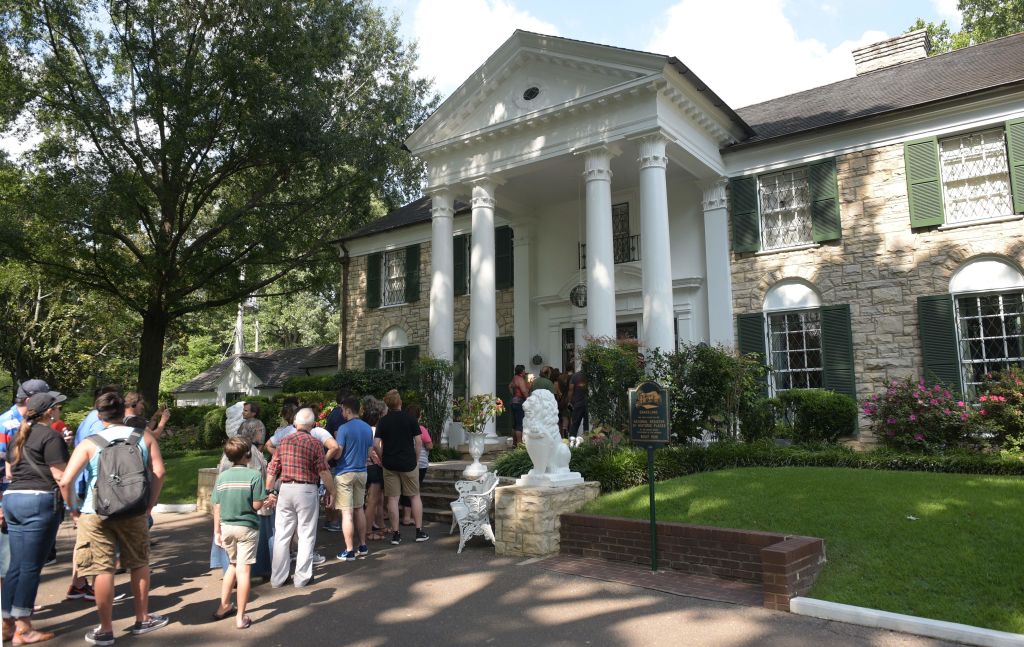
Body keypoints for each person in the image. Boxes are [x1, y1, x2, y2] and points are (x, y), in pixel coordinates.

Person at [58, 392, 168, 646]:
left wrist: (74, 510)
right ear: (124, 413)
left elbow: (66, 481)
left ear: (99, 415)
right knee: (139, 562)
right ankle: (142, 619)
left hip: (95, 512)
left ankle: (106, 629)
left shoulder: (88, 442)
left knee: (102, 568)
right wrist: (149, 506)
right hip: (134, 510)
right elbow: (159, 472)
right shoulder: (144, 436)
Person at [1, 390, 69, 645]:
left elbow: (9, 473)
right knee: (30, 567)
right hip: (38, 503)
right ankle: (24, 628)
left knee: (16, 566)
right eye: (58, 407)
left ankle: (7, 625)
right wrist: (73, 507)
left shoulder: (18, 435)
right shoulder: (51, 436)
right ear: (49, 411)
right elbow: (61, 477)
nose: (60, 411)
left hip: (13, 500)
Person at [266, 408, 333, 588]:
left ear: (295, 424)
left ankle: (278, 578)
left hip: (285, 489)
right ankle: (302, 577)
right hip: (306, 490)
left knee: (282, 534)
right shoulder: (315, 443)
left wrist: (269, 490)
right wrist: (331, 491)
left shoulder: (284, 441)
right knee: (306, 534)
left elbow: (273, 468)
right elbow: (323, 471)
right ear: (312, 425)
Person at [211, 437, 267, 630]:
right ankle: (240, 617)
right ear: (248, 454)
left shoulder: (222, 477)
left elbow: (216, 506)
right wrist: (266, 501)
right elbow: (256, 505)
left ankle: (223, 606)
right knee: (244, 570)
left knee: (232, 567)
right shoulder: (254, 476)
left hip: (226, 527)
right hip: (247, 527)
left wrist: (216, 530)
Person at [211, 419, 272, 581]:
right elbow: (254, 479)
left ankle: (232, 580)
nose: (262, 434)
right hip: (247, 511)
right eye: (260, 430)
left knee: (233, 557)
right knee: (245, 554)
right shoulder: (249, 451)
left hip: (228, 512)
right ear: (253, 432)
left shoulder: (235, 449)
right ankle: (244, 577)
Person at [374, 390, 428, 545]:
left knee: (392, 498)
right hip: (408, 463)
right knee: (414, 496)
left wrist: (383, 457)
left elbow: (375, 444)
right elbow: (418, 442)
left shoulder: (383, 421)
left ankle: (396, 534)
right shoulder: (410, 418)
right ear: (400, 402)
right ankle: (419, 531)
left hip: (390, 464)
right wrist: (416, 459)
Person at [332, 396, 373, 561]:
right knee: (359, 509)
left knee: (346, 513)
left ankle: (349, 550)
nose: (342, 412)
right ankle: (363, 545)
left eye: (342, 409)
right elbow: (370, 452)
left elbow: (339, 451)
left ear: (348, 410)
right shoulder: (367, 428)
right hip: (362, 472)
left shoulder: (343, 428)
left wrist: (332, 453)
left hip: (345, 473)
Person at [400, 405, 432, 527]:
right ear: (419, 416)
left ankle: (406, 516)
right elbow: (429, 446)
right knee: (414, 491)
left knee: (405, 490)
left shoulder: (402, 428)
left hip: (405, 462)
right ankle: (408, 518)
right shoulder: (421, 429)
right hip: (420, 463)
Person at [361, 397, 387, 541]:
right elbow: (377, 448)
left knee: (364, 503)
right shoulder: (376, 430)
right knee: (373, 502)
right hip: (373, 467)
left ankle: (369, 529)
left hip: (360, 467)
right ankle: (368, 531)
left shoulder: (362, 428)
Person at [566, 368, 589, 447]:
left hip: (577, 404)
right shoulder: (591, 376)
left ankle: (572, 443)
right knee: (587, 424)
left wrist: (569, 401)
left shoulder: (575, 376)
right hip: (589, 404)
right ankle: (587, 442)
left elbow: (570, 390)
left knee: (575, 424)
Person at [509, 365, 530, 446]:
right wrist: (528, 400)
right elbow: (524, 391)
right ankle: (519, 444)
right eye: (524, 371)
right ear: (522, 371)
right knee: (519, 424)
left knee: (514, 424)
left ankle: (514, 443)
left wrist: (513, 394)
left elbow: (510, 386)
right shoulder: (520, 379)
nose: (525, 372)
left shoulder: (514, 378)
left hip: (514, 401)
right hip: (519, 402)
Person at [556, 370, 572, 438]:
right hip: (568, 403)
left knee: (565, 421)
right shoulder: (570, 387)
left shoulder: (561, 384)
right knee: (570, 420)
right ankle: (571, 434)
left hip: (563, 402)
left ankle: (564, 436)